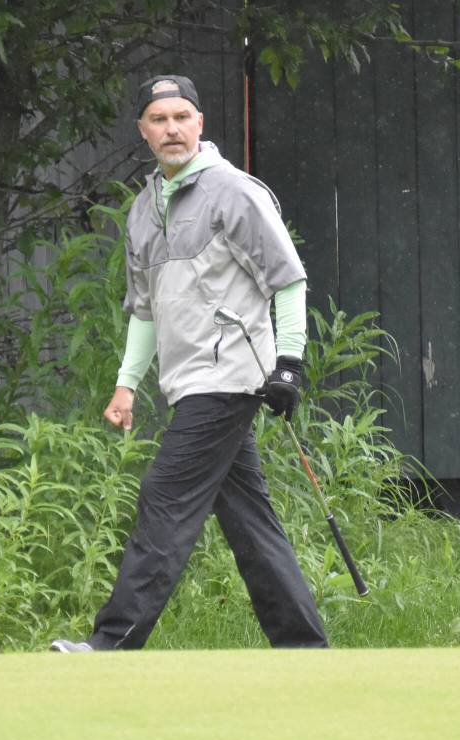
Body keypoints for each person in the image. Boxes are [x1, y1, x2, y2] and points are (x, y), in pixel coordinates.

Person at [50, 75, 328, 651]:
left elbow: (290, 280)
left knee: (164, 497)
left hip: (228, 378)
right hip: (186, 382)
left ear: (200, 123)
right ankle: (305, 649)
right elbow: (145, 310)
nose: (171, 128)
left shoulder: (236, 192)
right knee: (251, 524)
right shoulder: (141, 211)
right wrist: (127, 384)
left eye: (182, 116)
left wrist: (290, 363)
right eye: (159, 119)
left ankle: (112, 642)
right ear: (143, 132)